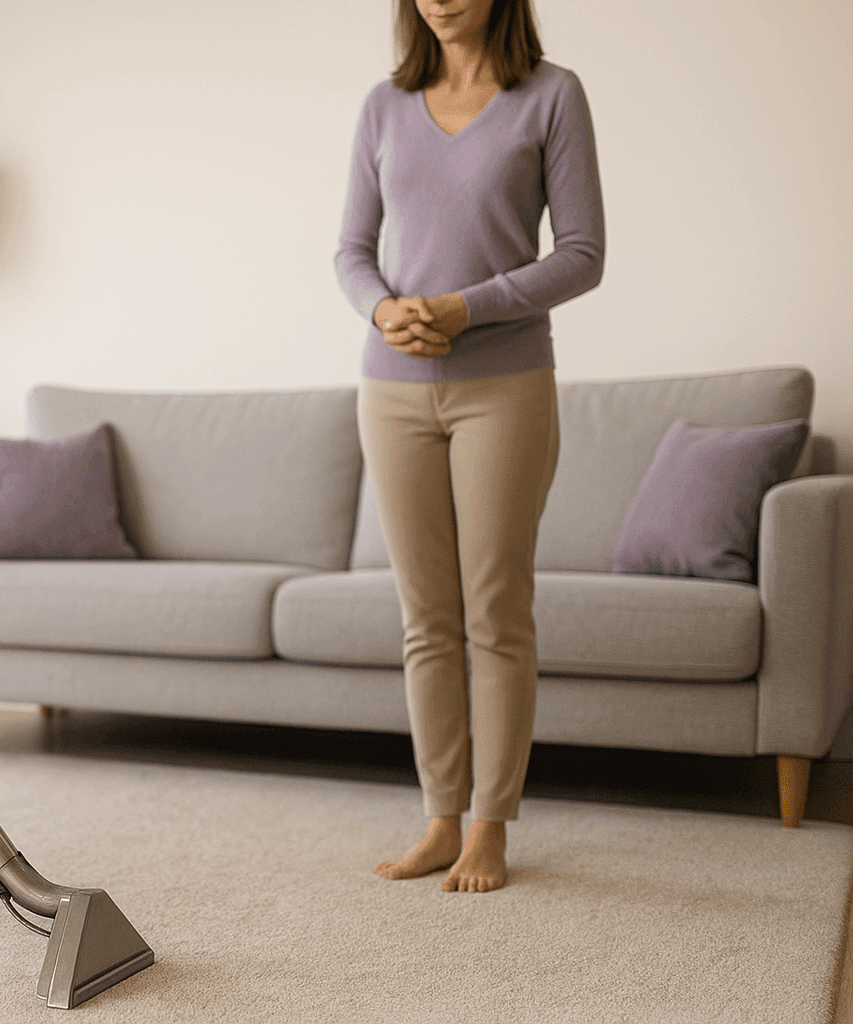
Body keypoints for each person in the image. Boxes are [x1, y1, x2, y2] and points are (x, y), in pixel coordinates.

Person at [335, 0, 603, 892]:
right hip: (391, 388)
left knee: (494, 611)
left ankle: (491, 825)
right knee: (426, 621)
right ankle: (440, 820)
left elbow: (582, 254)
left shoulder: (552, 96)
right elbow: (350, 250)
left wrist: (464, 307)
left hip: (506, 387)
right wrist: (382, 307)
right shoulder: (383, 104)